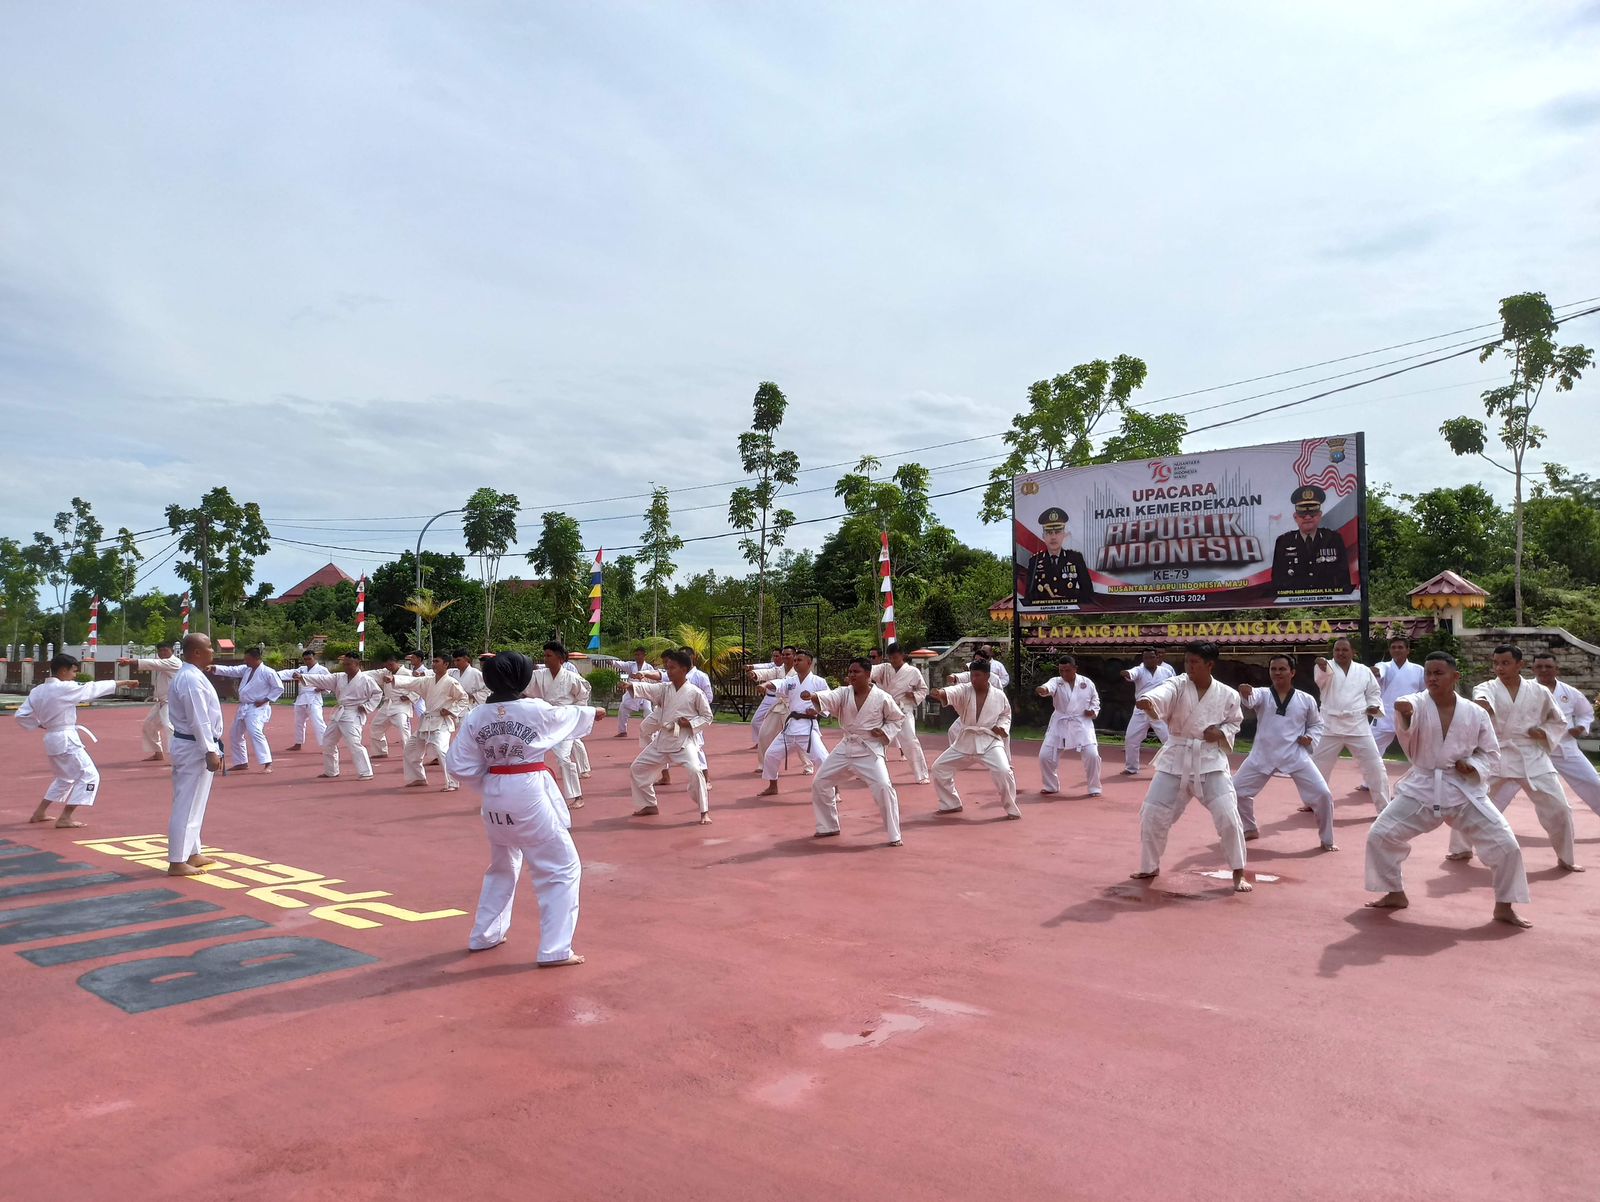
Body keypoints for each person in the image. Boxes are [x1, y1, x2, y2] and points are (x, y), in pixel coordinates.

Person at [445, 651, 603, 966]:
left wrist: (489, 782)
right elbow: (570, 716)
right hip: (528, 791)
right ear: (521, 677)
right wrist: (594, 712)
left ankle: (484, 935)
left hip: (494, 797)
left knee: (503, 866)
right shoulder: (535, 709)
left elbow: (457, 764)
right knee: (560, 867)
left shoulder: (476, 716)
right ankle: (555, 949)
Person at [1365, 651, 1531, 928]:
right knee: (1380, 835)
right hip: (1423, 787)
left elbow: (1491, 753)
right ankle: (1394, 893)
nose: (1432, 678)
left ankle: (1504, 906)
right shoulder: (1415, 703)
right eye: (1428, 673)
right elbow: (1405, 711)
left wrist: (1473, 765)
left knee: (1507, 845)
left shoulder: (1475, 713)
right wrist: (1405, 713)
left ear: (1455, 677)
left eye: (1439, 673)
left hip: (1462, 789)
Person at [1445, 645, 1580, 872]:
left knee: (1560, 807)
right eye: (1496, 663)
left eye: (1505, 663)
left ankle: (1566, 857)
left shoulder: (1540, 692)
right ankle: (1461, 847)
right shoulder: (1485, 688)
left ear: (1520, 665)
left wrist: (1544, 732)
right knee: (1471, 799)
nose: (1499, 668)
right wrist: (1482, 707)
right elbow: (1481, 701)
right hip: (1497, 752)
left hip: (1531, 755)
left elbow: (1558, 720)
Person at [1129, 641, 1251, 892]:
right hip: (1175, 758)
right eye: (1186, 662)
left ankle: (1239, 871)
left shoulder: (1228, 694)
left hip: (1209, 761)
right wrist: (1150, 702)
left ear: (1209, 665)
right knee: (1152, 813)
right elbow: (1161, 693)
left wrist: (1219, 732)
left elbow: (1234, 723)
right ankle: (1149, 865)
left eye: (1194, 662)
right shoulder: (1178, 683)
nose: (1189, 667)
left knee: (1229, 817)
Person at [16, 653, 139, 829]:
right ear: (64, 670)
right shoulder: (64, 688)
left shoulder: (38, 690)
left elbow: (21, 715)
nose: (75, 675)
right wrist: (123, 682)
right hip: (66, 739)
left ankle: (39, 813)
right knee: (90, 775)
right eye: (73, 671)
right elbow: (92, 688)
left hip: (51, 738)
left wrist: (40, 724)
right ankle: (66, 817)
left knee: (64, 778)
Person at [1234, 655, 1335, 851]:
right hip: (1263, 754)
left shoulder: (1306, 699)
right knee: (1236, 792)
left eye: (1282, 669)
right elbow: (1250, 699)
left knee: (1323, 794)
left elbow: (1317, 724)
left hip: (1295, 754)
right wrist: (1245, 693)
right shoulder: (1262, 694)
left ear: (1292, 672)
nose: (1277, 673)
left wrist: (1309, 737)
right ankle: (1249, 828)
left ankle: (1327, 840)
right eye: (1273, 669)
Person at [803, 659, 905, 846]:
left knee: (883, 786)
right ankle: (828, 826)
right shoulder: (844, 692)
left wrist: (884, 731)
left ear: (868, 674)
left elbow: (897, 719)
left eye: (856, 672)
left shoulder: (882, 697)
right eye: (850, 671)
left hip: (869, 748)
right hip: (847, 745)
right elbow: (828, 697)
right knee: (821, 782)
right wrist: (813, 696)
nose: (851, 675)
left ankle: (894, 835)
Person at [624, 648, 713, 823]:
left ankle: (704, 812)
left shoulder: (695, 692)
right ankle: (649, 804)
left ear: (684, 670)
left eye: (672, 668)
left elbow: (707, 717)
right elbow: (648, 689)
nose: (668, 671)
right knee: (637, 768)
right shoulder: (665, 689)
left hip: (683, 741)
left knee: (696, 770)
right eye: (667, 668)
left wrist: (690, 723)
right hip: (663, 740)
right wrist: (631, 686)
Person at [163, 634, 225, 877]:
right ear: (196, 652)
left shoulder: (193, 674)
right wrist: (209, 750)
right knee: (187, 804)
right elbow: (198, 718)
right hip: (194, 747)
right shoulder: (189, 678)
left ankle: (192, 852)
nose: (213, 650)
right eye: (209, 647)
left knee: (195, 803)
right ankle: (176, 861)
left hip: (194, 745)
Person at [927, 660, 1021, 819]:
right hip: (966, 740)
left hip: (990, 740)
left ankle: (1011, 807)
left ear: (987, 676)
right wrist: (939, 692)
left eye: (977, 675)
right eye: (972, 675)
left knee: (1004, 771)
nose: (973, 678)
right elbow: (951, 692)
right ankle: (951, 803)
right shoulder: (964, 690)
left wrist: (1002, 728)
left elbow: (1006, 715)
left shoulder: (998, 695)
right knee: (939, 768)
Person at [1310, 639, 1388, 810]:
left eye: (1345, 650)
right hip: (1329, 724)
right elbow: (1321, 679)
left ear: (1353, 652)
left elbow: (1374, 692)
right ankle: (1314, 802)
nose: (1340, 653)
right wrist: (1323, 667)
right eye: (1337, 650)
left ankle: (1383, 806)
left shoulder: (1363, 671)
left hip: (1357, 724)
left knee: (1375, 765)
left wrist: (1374, 706)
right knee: (1318, 765)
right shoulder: (1325, 667)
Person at [523, 642, 593, 808]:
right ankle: (528, 794)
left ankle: (577, 796)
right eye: (545, 656)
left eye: (549, 656)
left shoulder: (572, 678)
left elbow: (583, 696)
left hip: (564, 722)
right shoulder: (538, 675)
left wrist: (575, 714)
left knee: (563, 758)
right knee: (529, 754)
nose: (546, 659)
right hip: (545, 721)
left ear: (560, 659)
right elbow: (525, 690)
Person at [1532, 650, 1600, 820]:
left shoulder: (1569, 692)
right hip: (1533, 750)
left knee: (1593, 782)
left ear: (1557, 670)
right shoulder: (1525, 690)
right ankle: (1480, 826)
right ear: (1532, 669)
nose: (1544, 670)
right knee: (1500, 786)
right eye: (1539, 666)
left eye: (1548, 666)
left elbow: (1586, 713)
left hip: (1565, 747)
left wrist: (1581, 727)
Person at [389, 654, 469, 790]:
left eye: (437, 661)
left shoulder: (451, 682)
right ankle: (417, 778)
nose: (434, 663)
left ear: (446, 664)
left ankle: (452, 782)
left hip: (441, 722)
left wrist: (450, 710)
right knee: (411, 749)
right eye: (433, 661)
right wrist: (394, 678)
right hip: (426, 721)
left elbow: (464, 698)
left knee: (442, 751)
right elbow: (412, 682)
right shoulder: (428, 681)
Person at [759, 649, 831, 796]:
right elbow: (779, 684)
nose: (796, 663)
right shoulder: (791, 681)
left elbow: (829, 700)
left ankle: (835, 789)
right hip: (790, 728)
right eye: (795, 660)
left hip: (808, 728)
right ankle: (773, 786)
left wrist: (817, 711)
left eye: (799, 660)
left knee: (823, 759)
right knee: (771, 755)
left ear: (809, 663)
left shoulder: (819, 682)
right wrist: (766, 684)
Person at [301, 653, 382, 780]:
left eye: (348, 664)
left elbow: (377, 694)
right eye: (344, 664)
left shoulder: (366, 680)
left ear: (357, 664)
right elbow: (322, 679)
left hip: (354, 713)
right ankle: (331, 771)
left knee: (354, 743)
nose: (345, 667)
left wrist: (367, 706)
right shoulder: (339, 677)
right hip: (340, 713)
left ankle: (366, 772)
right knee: (327, 741)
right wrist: (302, 677)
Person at [209, 646, 284, 773]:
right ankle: (241, 762)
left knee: (255, 732)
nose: (245, 661)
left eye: (247, 659)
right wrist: (215, 668)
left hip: (257, 707)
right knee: (235, 734)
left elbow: (278, 688)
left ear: (256, 659)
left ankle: (267, 763)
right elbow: (231, 670)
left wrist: (265, 699)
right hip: (244, 706)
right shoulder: (246, 670)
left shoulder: (268, 672)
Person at [1036, 655, 1102, 797]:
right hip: (1060, 722)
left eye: (1067, 670)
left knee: (1092, 755)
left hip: (1082, 722)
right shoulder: (1056, 682)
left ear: (1075, 669)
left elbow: (1095, 700)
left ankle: (1094, 787)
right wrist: (1043, 689)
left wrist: (1093, 711)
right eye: (1061, 671)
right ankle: (1051, 785)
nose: (1064, 674)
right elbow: (1048, 687)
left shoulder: (1086, 682)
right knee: (1044, 756)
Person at [1269, 485, 1352, 596]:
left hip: (1328, 604)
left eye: (1312, 512)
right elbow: (1277, 581)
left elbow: (1344, 579)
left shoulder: (1333, 539)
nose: (1307, 517)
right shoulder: (1283, 542)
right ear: (1295, 517)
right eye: (1302, 513)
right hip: (1294, 606)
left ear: (1319, 515)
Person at [871, 642, 930, 783]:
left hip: (903, 711)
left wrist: (914, 695)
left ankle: (921, 775)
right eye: (890, 658)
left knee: (910, 742)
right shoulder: (884, 668)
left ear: (902, 656)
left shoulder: (913, 672)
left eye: (895, 657)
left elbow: (923, 689)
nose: (893, 661)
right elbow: (869, 670)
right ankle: (873, 774)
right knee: (876, 741)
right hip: (885, 711)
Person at [1023, 507, 1095, 605]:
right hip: (1043, 614)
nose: (1053, 537)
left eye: (1057, 532)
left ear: (1063, 534)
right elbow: (1029, 595)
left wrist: (1066, 601)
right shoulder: (1035, 561)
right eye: (1049, 533)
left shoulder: (1075, 559)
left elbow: (1088, 593)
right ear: (1043, 536)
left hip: (1072, 613)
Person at [123, 642, 180, 761]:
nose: (163, 653)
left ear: (172, 651)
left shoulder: (175, 662)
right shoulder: (162, 665)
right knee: (149, 725)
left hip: (171, 702)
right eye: (160, 651)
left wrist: (130, 661)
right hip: (161, 702)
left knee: (169, 727)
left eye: (166, 650)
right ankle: (158, 753)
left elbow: (154, 663)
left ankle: (178, 756)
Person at [1121, 647, 1174, 775]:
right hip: (1141, 709)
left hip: (1159, 710)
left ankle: (1172, 768)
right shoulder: (1139, 670)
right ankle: (1131, 767)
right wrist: (1125, 673)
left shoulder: (1166, 672)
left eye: (1151, 657)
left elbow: (1174, 686)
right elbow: (1130, 673)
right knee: (1131, 738)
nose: (1148, 660)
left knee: (1168, 740)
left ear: (1157, 658)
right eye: (1145, 657)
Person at [1372, 636, 1425, 759]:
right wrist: (1372, 671)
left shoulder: (1418, 670)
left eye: (1400, 647)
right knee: (1370, 752)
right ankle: (1375, 776)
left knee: (1420, 753)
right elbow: (1379, 670)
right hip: (1385, 715)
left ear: (1408, 650)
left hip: (1409, 716)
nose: (1397, 650)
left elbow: (1424, 693)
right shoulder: (1383, 665)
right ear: (1390, 650)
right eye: (1393, 647)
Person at [366, 652, 415, 759]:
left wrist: (410, 696)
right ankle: (380, 751)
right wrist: (355, 672)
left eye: (391, 665)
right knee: (376, 726)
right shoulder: (384, 672)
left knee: (403, 728)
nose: (389, 667)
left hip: (401, 704)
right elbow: (369, 674)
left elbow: (418, 686)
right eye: (387, 665)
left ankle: (410, 753)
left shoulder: (407, 673)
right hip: (387, 704)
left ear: (397, 662)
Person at [280, 650, 329, 751]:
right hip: (301, 698)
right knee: (299, 722)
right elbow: (289, 673)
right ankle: (298, 743)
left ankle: (326, 746)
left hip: (314, 698)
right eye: (305, 659)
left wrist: (322, 688)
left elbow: (330, 682)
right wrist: (273, 674)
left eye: (309, 659)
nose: (307, 661)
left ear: (315, 658)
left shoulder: (322, 670)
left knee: (318, 722)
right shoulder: (302, 669)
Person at [749, 648, 790, 749]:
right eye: (774, 656)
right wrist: (755, 673)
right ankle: (761, 742)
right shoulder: (776, 669)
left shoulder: (796, 670)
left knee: (787, 725)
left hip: (786, 701)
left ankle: (783, 744)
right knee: (755, 721)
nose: (776, 658)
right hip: (769, 698)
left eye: (778, 656)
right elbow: (766, 670)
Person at [615, 647, 659, 738]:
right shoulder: (631, 665)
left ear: (644, 655)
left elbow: (653, 680)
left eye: (639, 654)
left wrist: (641, 679)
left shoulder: (649, 667)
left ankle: (650, 731)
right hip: (632, 692)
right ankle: (622, 731)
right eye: (636, 655)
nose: (637, 656)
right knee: (622, 708)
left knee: (648, 711)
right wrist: (611, 662)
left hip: (644, 693)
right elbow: (620, 664)